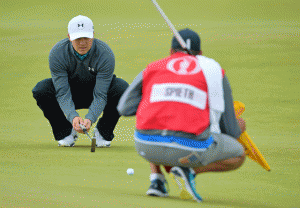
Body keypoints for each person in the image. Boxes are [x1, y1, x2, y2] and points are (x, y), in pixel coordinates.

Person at [117, 28, 246, 202]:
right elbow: (230, 130)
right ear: (200, 53)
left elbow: (124, 108)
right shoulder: (213, 71)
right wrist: (240, 126)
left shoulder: (153, 67)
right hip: (191, 149)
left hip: (146, 147)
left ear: (171, 51)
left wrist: (157, 100)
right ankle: (189, 171)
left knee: (154, 117)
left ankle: (157, 180)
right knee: (238, 154)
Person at [32, 15, 129, 147]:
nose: (82, 43)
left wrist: (90, 118)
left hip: (97, 92)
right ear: (69, 36)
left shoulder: (105, 54)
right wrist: (73, 116)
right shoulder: (58, 53)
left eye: (86, 38)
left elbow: (101, 94)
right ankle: (65, 132)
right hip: (70, 92)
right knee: (41, 89)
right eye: (77, 38)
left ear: (93, 35)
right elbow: (62, 92)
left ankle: (103, 132)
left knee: (122, 88)